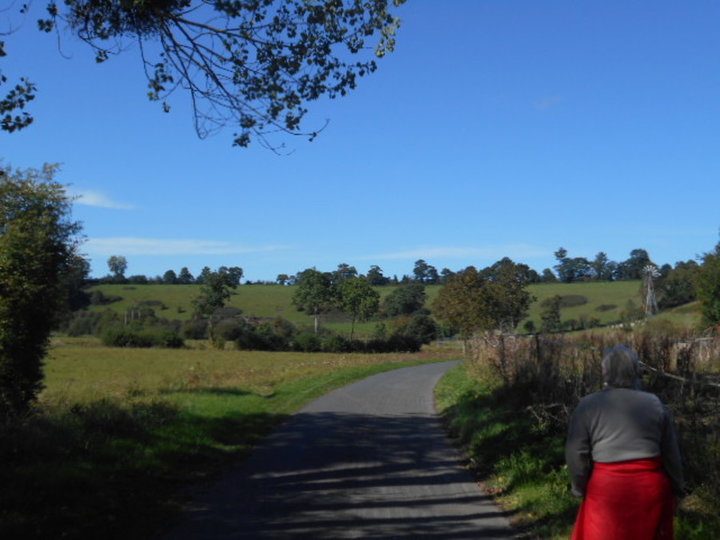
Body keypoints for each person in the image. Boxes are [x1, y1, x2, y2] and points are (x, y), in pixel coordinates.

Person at [565, 345, 684, 540]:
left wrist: (579, 486)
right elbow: (671, 453)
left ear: (605, 371)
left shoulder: (588, 405)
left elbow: (576, 452)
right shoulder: (654, 403)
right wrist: (678, 488)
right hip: (649, 489)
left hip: (606, 490)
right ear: (636, 371)